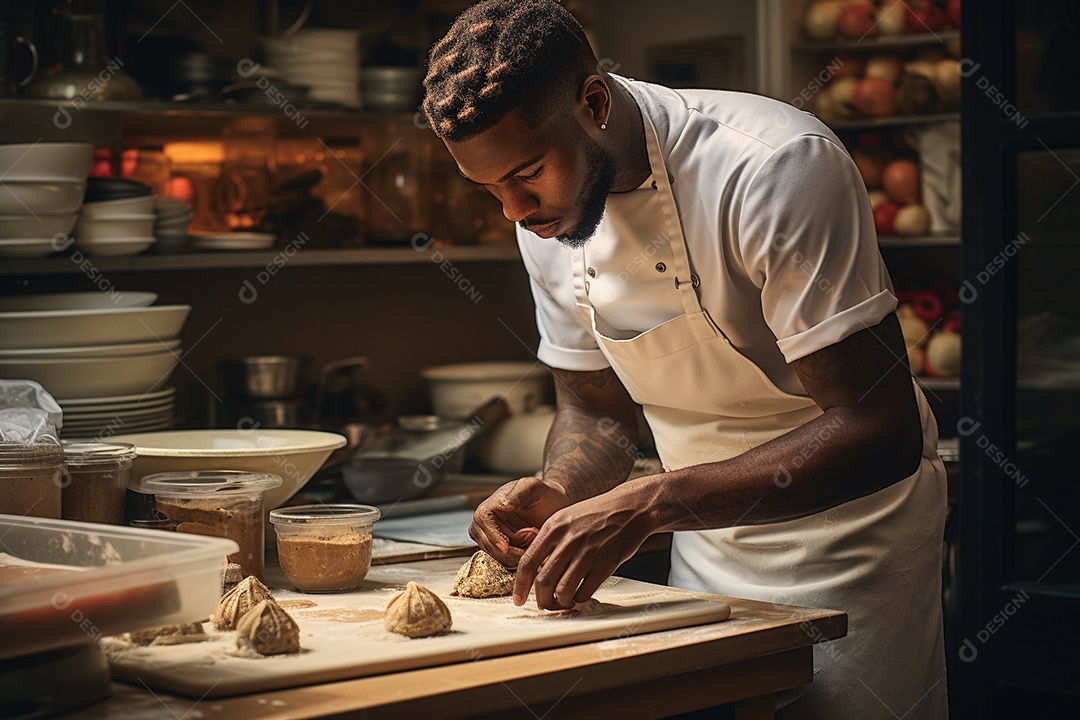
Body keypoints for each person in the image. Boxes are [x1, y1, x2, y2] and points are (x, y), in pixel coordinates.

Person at [421, 1, 948, 717]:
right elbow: (594, 411)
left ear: (595, 102)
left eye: (528, 175)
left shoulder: (772, 167)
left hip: (852, 544)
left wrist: (653, 502)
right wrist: (562, 490)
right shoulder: (541, 218)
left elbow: (879, 428)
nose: (514, 212)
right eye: (490, 191)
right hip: (703, 546)